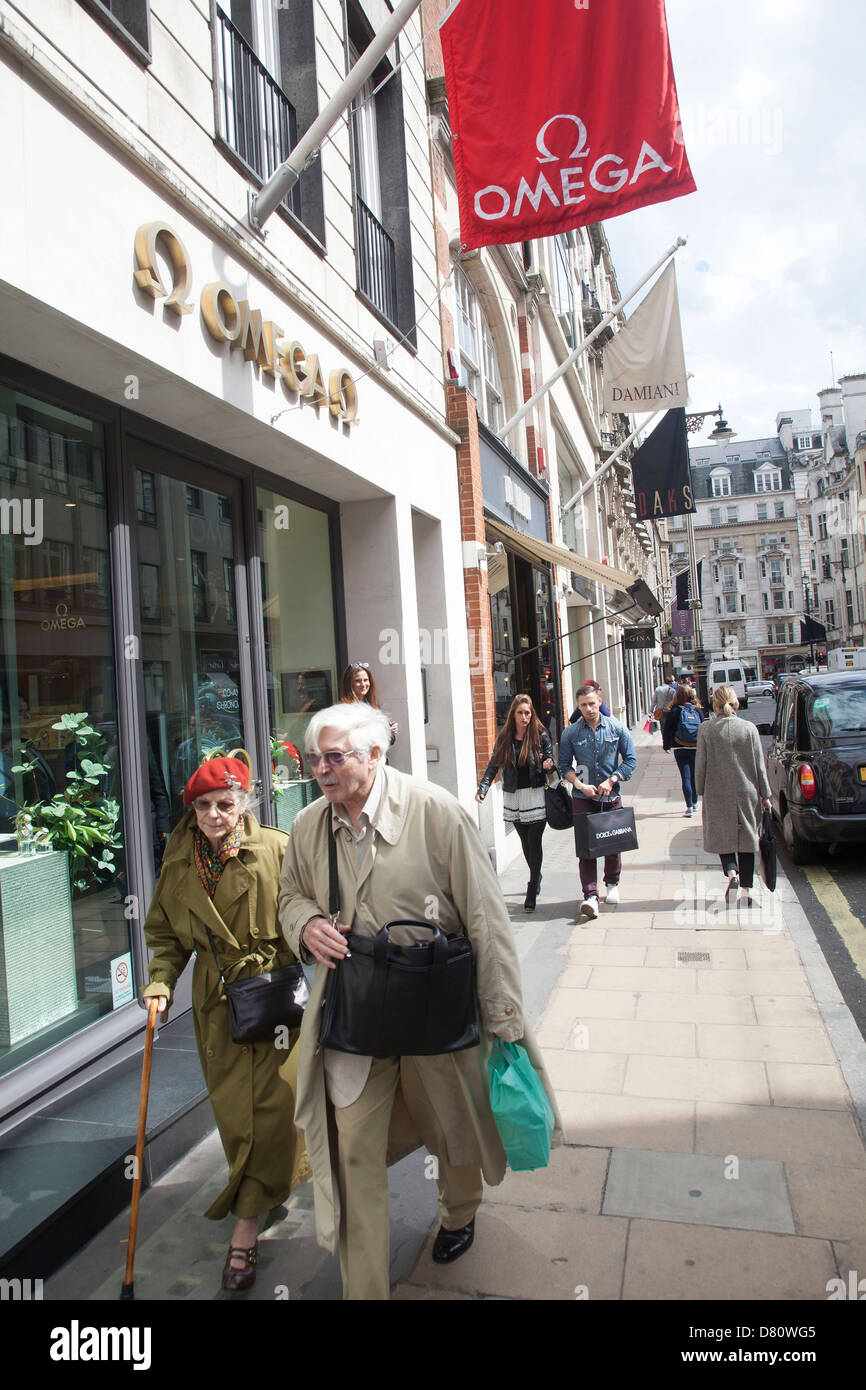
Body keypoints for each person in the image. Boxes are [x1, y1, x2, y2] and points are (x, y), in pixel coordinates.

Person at [277, 701, 561, 1301]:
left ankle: (459, 1210)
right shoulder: (306, 827)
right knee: (352, 1148)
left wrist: (503, 1015)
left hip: (436, 1007)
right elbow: (289, 897)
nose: (323, 771)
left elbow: (486, 919)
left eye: (336, 757)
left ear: (376, 754)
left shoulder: (437, 814)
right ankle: (367, 1292)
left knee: (453, 1124)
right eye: (315, 759)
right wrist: (303, 924)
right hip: (354, 1017)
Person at [142, 755, 309, 1292]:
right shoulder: (178, 862)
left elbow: (312, 918)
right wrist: (160, 981)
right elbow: (165, 934)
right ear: (192, 810)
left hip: (273, 1002)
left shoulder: (279, 850)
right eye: (205, 807)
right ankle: (263, 1190)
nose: (215, 816)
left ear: (244, 805)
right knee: (238, 1117)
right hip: (217, 1010)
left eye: (225, 805)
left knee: (271, 1109)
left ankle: (244, 1231)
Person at [558, 683, 637, 920]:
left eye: (592, 704)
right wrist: (580, 785)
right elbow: (564, 766)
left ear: (599, 702)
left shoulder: (616, 728)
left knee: (613, 844)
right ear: (578, 707)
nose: (589, 709)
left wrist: (612, 780)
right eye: (583, 705)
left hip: (610, 795)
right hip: (583, 797)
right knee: (586, 848)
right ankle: (590, 894)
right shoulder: (570, 733)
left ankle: (612, 883)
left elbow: (631, 760)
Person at [695, 685, 773, 907]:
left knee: (723, 836)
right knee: (747, 840)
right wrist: (766, 795)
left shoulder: (706, 729)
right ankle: (746, 892)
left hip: (717, 790)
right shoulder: (749, 729)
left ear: (715, 703)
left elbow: (700, 764)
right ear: (735, 701)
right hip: (746, 791)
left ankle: (732, 874)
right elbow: (760, 765)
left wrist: (700, 790)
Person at [475, 693, 554, 911]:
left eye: (527, 713)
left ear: (532, 714)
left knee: (535, 841)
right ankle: (536, 874)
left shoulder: (540, 735)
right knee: (525, 842)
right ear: (513, 714)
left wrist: (549, 764)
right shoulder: (505, 737)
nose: (524, 717)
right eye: (520, 712)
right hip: (513, 796)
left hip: (535, 793)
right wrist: (483, 788)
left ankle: (531, 887)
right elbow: (493, 764)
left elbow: (550, 757)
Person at [662, 684, 705, 816]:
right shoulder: (697, 710)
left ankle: (688, 807)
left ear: (677, 695)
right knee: (693, 776)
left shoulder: (674, 710)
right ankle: (695, 802)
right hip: (695, 747)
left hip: (680, 746)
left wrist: (667, 746)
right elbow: (703, 728)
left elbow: (667, 730)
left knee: (685, 777)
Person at [339, 661, 398, 742]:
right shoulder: (345, 710)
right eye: (358, 681)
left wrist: (389, 731)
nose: (363, 684)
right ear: (349, 684)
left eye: (366, 680)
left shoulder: (371, 704)